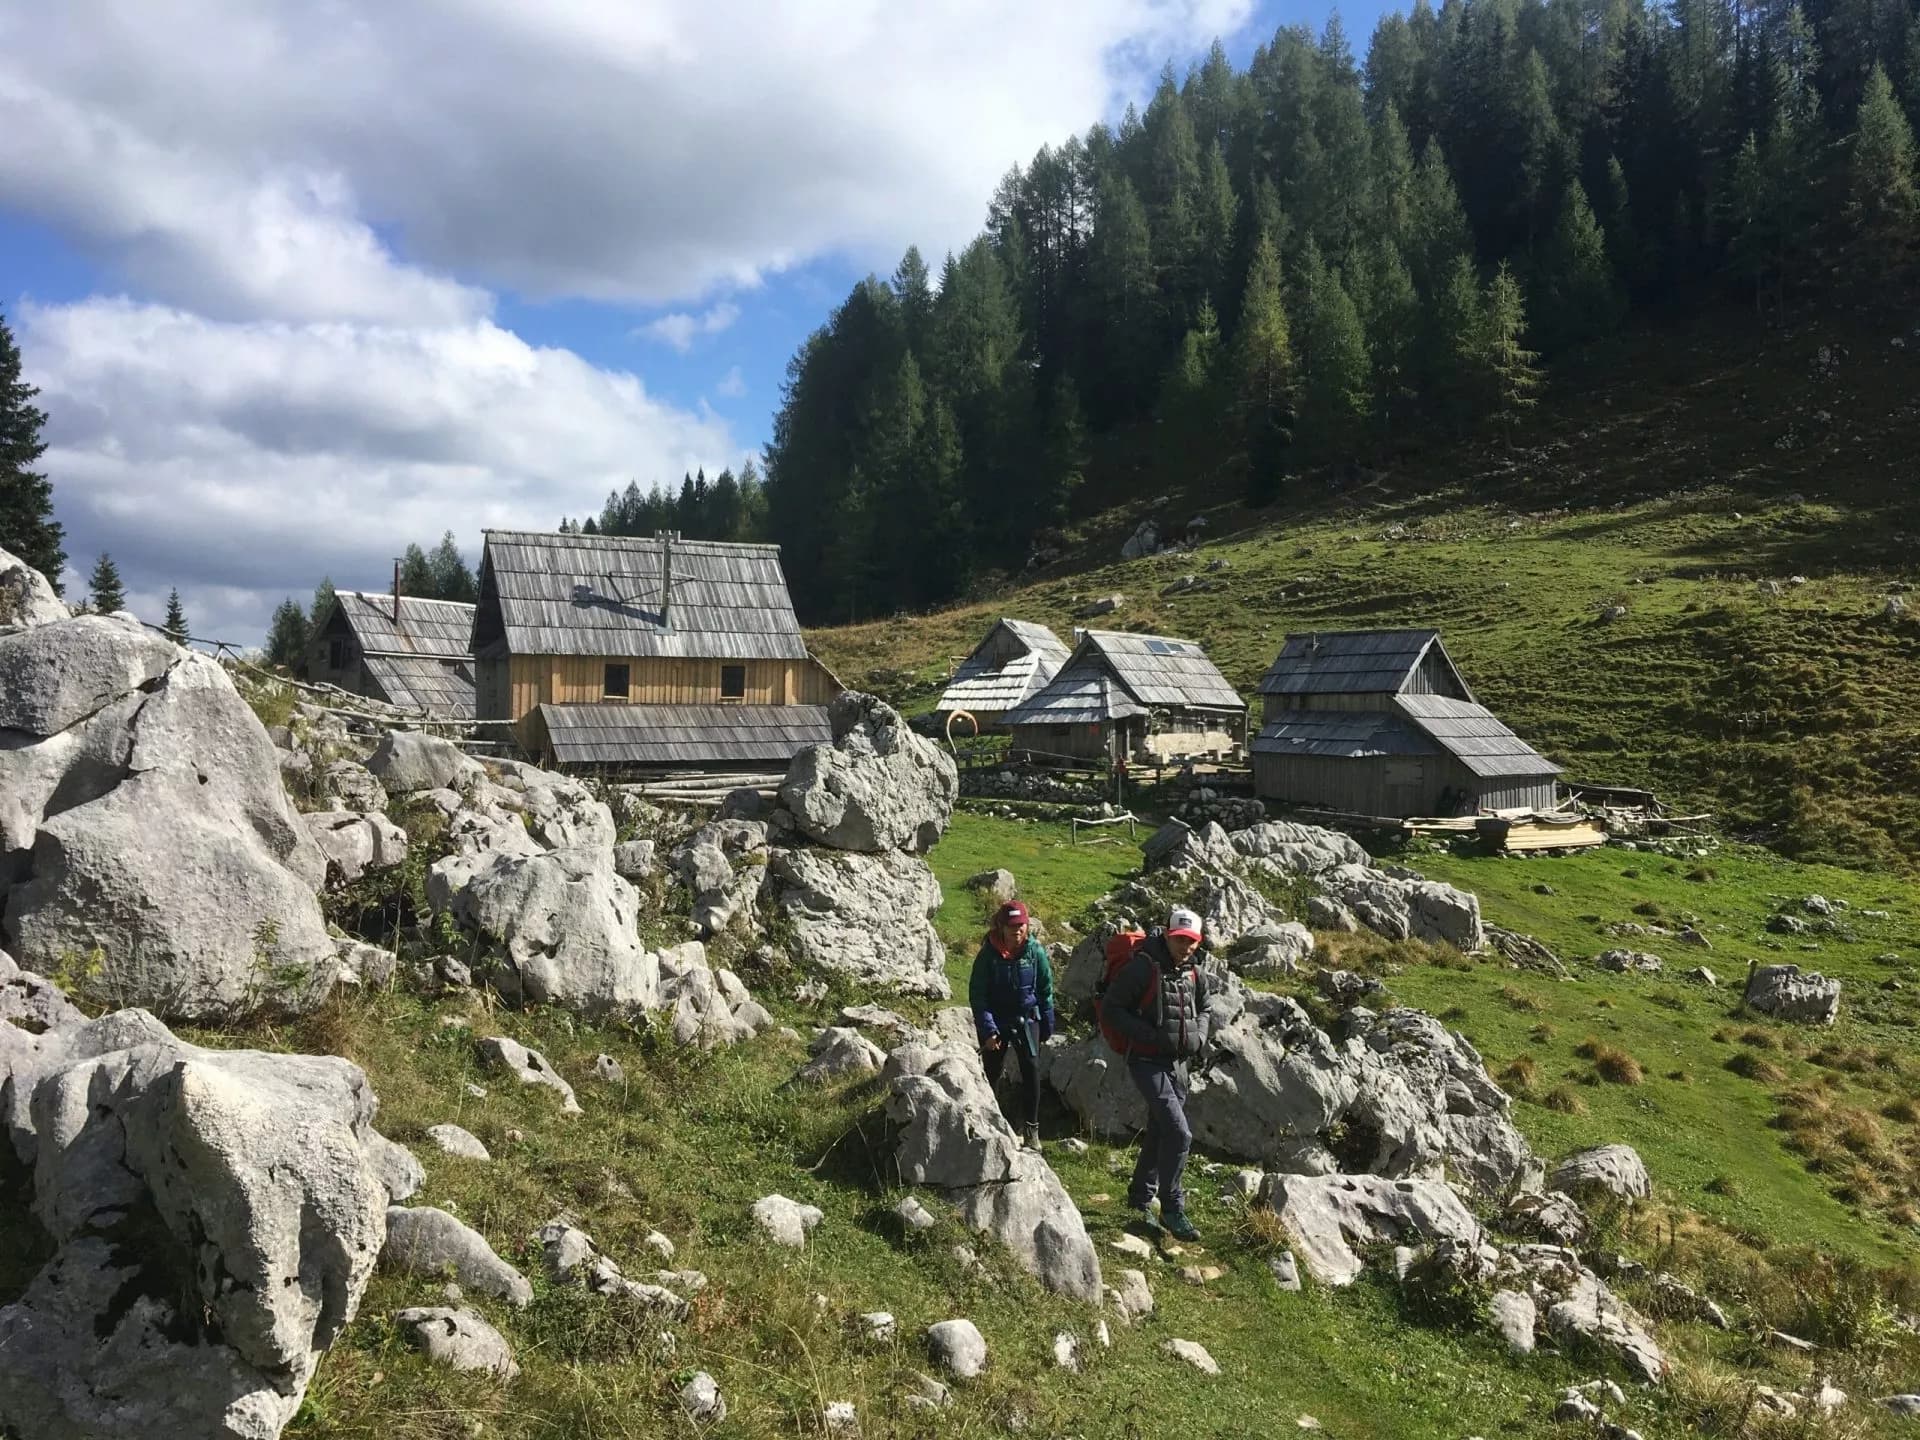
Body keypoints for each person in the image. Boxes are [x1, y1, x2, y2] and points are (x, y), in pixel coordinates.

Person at [1097, 905, 1215, 1241]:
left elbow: (1205, 1006)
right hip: (1147, 1062)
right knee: (1180, 1134)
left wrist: (1200, 1036)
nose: (1186, 946)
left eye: (1191, 940)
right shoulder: (1143, 968)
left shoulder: (1195, 972)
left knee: (1161, 1131)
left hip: (1179, 1064)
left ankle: (1139, 1197)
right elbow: (1112, 1008)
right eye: (1180, 939)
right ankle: (1173, 1207)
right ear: (1167, 934)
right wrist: (1150, 1037)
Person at [968, 900, 1056, 1149]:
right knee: (991, 1072)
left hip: (1027, 1019)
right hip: (997, 1021)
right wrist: (988, 1030)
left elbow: (1045, 990)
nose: (1016, 930)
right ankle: (986, 1122)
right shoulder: (988, 955)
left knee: (1031, 1069)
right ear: (1001, 926)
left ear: (1026, 926)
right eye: (1011, 925)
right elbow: (978, 994)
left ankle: (1031, 1131)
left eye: (1021, 925)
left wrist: (1047, 1024)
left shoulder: (1035, 952)